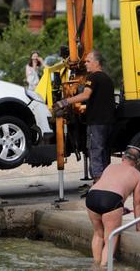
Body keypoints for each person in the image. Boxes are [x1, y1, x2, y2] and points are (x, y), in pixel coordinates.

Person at [54, 50, 115, 181]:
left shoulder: (93, 77)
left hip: (96, 123)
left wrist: (64, 102)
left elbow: (85, 95)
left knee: (95, 151)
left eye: (88, 61)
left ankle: (98, 183)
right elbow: (101, 101)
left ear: (97, 63)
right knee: (104, 152)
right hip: (108, 123)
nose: (85, 64)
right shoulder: (107, 79)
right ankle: (107, 181)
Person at [85, 146, 140, 266]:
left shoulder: (110, 167)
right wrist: (138, 226)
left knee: (98, 234)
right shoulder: (137, 175)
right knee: (111, 237)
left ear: (123, 157)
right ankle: (104, 267)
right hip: (111, 199)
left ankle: (95, 265)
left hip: (92, 196)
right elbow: (138, 202)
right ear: (138, 162)